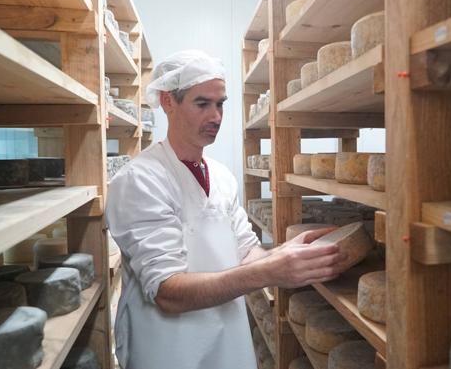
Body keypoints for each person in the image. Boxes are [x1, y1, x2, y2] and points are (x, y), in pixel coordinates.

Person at [106, 50, 344, 369]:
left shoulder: (220, 175)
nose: (216, 116)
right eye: (202, 103)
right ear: (168, 102)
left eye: (221, 104)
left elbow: (245, 252)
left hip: (227, 343)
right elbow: (167, 291)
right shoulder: (140, 181)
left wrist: (286, 254)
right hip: (171, 350)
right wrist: (271, 272)